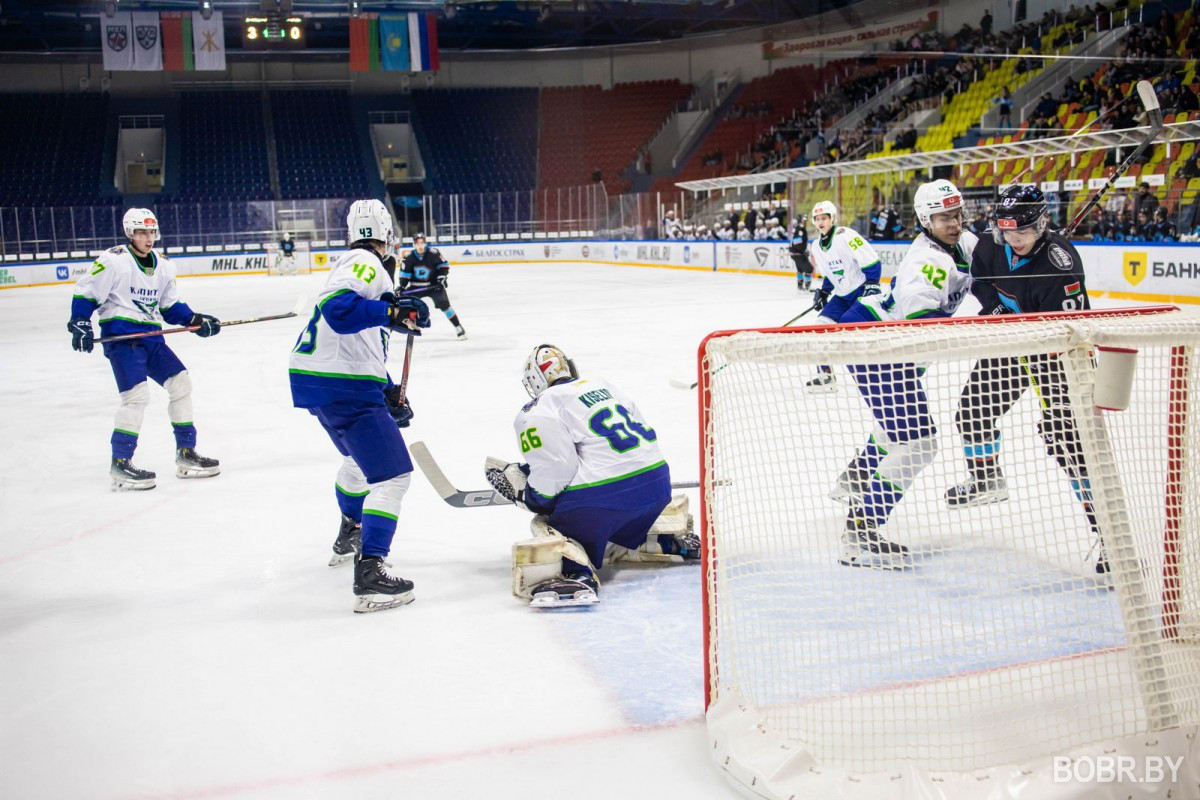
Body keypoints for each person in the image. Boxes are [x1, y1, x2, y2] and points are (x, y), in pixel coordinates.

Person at [945, 184, 1108, 574]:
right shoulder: (990, 245)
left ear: (1040, 223)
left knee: (1069, 441)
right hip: (1015, 346)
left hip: (1057, 355)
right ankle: (986, 479)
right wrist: (997, 309)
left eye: (1020, 231)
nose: (1011, 239)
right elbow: (982, 283)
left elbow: (1073, 330)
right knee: (972, 411)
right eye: (1005, 231)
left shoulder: (1061, 264)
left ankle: (1108, 534)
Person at [289, 199, 432, 613]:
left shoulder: (357, 263)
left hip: (319, 380)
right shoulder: (366, 263)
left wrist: (386, 390)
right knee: (393, 478)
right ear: (387, 237)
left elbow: (359, 338)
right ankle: (370, 573)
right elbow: (339, 312)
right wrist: (392, 309)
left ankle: (349, 532)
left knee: (357, 462)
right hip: (342, 384)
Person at [832, 180, 978, 569]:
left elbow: (992, 259)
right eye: (944, 217)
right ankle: (861, 529)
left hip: (889, 346)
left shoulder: (960, 243)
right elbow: (923, 326)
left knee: (896, 430)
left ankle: (856, 477)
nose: (955, 223)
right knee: (918, 444)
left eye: (958, 214)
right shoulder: (924, 264)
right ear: (925, 220)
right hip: (875, 345)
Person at [485, 345, 698, 608]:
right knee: (616, 510)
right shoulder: (601, 384)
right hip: (657, 487)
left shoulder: (537, 409)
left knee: (548, 522)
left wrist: (531, 495)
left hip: (604, 501)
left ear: (534, 380)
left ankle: (574, 573)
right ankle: (658, 540)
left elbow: (556, 469)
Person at [68, 208, 222, 491]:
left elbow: (170, 306)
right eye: (142, 232)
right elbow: (86, 292)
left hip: (151, 337)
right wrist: (80, 321)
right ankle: (121, 462)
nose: (148, 238)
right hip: (122, 339)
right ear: (130, 233)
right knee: (136, 397)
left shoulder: (164, 265)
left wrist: (195, 320)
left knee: (181, 383)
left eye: (152, 232)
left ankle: (186, 453)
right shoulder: (113, 261)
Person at [806, 200, 883, 391]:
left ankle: (876, 372)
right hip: (841, 296)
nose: (821, 221)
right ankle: (826, 376)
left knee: (854, 332)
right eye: (817, 218)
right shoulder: (816, 246)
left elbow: (871, 258)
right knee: (819, 329)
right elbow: (831, 274)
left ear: (832, 219)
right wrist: (824, 291)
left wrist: (872, 283)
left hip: (860, 290)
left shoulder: (845, 235)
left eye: (824, 218)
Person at [399, 232, 467, 339]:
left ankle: (458, 327)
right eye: (418, 243)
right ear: (414, 245)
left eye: (422, 243)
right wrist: (402, 286)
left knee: (444, 304)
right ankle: (402, 327)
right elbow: (405, 274)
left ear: (425, 243)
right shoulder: (409, 257)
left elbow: (444, 267)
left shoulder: (433, 253)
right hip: (416, 287)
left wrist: (441, 277)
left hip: (434, 286)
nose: (420, 245)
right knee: (405, 304)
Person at [789, 217, 811, 291]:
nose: (805, 222)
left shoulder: (797, 228)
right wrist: (803, 251)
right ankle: (807, 288)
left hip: (795, 253)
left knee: (800, 269)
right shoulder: (800, 229)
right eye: (804, 220)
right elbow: (797, 242)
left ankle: (800, 286)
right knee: (809, 269)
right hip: (798, 253)